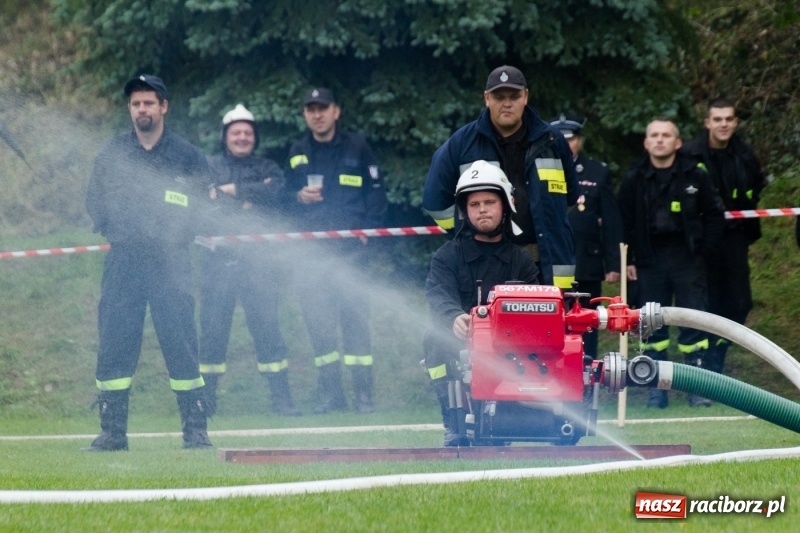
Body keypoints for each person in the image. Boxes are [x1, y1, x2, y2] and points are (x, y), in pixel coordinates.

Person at [84, 75, 213, 450]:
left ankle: (195, 430)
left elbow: (203, 206)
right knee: (115, 341)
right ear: (130, 109)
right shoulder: (113, 153)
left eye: (149, 103)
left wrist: (177, 235)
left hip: (171, 262)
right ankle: (113, 432)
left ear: (163, 107)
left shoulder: (187, 156)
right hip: (124, 261)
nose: (142, 109)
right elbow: (94, 199)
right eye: (136, 103)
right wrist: (116, 231)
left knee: (181, 340)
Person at [423, 65, 578, 289]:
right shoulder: (461, 144)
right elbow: (434, 202)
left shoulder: (553, 141)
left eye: (514, 96)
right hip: (486, 265)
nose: (507, 103)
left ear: (525, 96)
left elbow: (569, 199)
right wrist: (465, 228)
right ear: (487, 98)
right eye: (499, 97)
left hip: (547, 268)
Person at [285, 87, 388, 414]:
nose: (317, 114)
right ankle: (331, 395)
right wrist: (298, 197)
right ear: (305, 114)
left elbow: (377, 191)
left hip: (352, 252)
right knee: (319, 325)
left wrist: (369, 232)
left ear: (336, 111)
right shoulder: (297, 151)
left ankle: (363, 396)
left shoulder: (358, 146)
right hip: (312, 255)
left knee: (355, 320)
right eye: (311, 109)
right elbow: (284, 197)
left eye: (323, 108)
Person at [424, 160, 539, 446]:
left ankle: (505, 417)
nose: (482, 209)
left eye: (489, 202)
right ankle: (454, 421)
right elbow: (438, 293)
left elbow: (535, 307)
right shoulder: (447, 256)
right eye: (474, 204)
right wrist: (453, 317)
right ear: (465, 210)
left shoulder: (521, 261)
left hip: (509, 346)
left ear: (505, 206)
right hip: (460, 342)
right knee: (434, 338)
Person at [199, 104, 300, 417]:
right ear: (225, 136)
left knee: (268, 329)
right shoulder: (209, 166)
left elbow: (276, 194)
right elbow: (203, 203)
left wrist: (232, 191)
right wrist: (250, 200)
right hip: (217, 264)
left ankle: (282, 400)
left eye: (247, 132)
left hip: (259, 264)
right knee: (212, 332)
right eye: (236, 132)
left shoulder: (268, 167)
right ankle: (205, 401)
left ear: (254, 138)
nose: (242, 137)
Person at [617, 117, 724, 408]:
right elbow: (622, 222)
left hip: (687, 258)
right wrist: (627, 259)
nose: (660, 140)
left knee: (693, 320)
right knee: (651, 324)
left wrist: (704, 251)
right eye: (654, 135)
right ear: (646, 142)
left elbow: (714, 215)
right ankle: (656, 388)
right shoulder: (634, 178)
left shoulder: (695, 175)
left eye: (666, 135)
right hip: (648, 259)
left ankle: (697, 387)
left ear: (677, 143)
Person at [680, 98, 768, 377]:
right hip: (701, 237)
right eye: (718, 119)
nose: (723, 124)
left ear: (735, 122)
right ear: (707, 122)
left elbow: (756, 184)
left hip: (734, 236)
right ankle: (704, 358)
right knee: (708, 299)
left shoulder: (744, 154)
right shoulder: (689, 154)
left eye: (729, 119)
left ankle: (719, 350)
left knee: (740, 301)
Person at [551, 114, 624, 357]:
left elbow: (611, 222)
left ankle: (587, 369)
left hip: (587, 262)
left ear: (579, 141)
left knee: (587, 322)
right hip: (551, 261)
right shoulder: (539, 170)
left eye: (570, 140)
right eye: (560, 140)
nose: (566, 145)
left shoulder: (597, 172)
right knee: (553, 320)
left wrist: (613, 264)